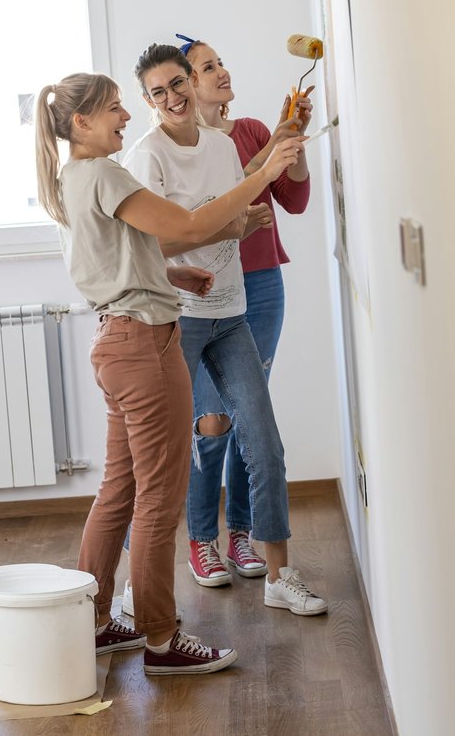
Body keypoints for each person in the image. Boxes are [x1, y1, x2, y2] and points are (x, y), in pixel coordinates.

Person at [34, 72, 304, 676]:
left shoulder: (72, 177)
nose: (126, 118)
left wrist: (170, 275)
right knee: (157, 503)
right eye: (113, 110)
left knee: (119, 491)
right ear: (80, 123)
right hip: (145, 347)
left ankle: (98, 621)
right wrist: (260, 175)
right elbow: (184, 228)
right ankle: (161, 640)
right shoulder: (105, 172)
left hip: (114, 340)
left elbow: (116, 252)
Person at [123, 43, 328, 616]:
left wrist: (279, 155)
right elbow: (159, 239)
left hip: (233, 312)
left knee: (264, 442)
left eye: (177, 84)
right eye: (158, 92)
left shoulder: (219, 145)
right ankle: (141, 588)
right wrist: (233, 226)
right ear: (148, 101)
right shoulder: (147, 157)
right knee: (170, 452)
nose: (172, 97)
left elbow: (263, 192)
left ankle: (280, 576)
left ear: (190, 83)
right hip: (179, 319)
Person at [177, 34, 312, 586]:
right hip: (209, 293)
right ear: (185, 87)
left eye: (220, 63)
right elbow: (225, 197)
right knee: (212, 421)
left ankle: (242, 533)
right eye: (207, 67)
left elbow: (294, 199)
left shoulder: (255, 128)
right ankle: (201, 539)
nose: (220, 72)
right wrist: (271, 151)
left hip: (263, 288)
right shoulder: (184, 147)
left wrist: (293, 145)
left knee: (249, 422)